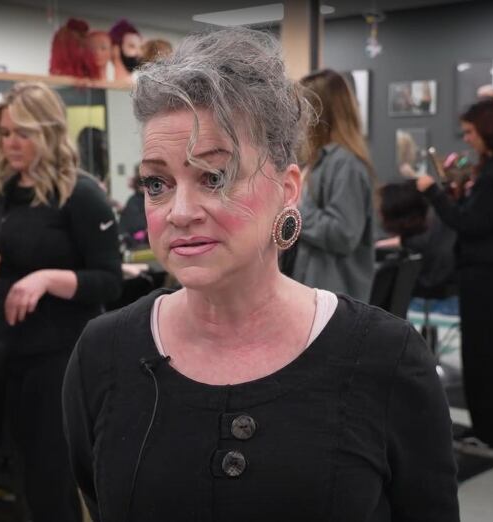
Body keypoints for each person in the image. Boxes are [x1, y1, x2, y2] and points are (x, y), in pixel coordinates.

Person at [63, 28, 458, 522]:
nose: (180, 211)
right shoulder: (103, 353)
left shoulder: (386, 359)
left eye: (215, 176)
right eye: (157, 183)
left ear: (288, 188)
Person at [0, 82, 122, 522]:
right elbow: (0, 267)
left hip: (59, 356)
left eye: (22, 132)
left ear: (49, 132)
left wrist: (46, 279)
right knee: (14, 472)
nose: (10, 143)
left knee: (51, 476)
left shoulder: (80, 194)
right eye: (4, 133)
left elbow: (109, 281)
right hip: (5, 349)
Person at [416, 98, 493, 457]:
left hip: (486, 271)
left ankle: (487, 435)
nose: (467, 140)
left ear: (488, 129)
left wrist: (433, 192)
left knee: (481, 352)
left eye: (470, 132)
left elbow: (471, 224)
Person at [290, 69, 375, 301]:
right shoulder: (316, 161)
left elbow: (343, 234)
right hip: (313, 288)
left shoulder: (345, 164)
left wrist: (293, 208)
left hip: (334, 296)